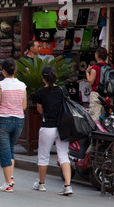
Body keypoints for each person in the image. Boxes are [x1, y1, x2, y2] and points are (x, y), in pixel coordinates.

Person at [32, 66, 73, 196]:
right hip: (62, 127)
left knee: (43, 156)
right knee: (63, 155)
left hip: (47, 127)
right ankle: (67, 185)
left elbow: (40, 111)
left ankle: (42, 184)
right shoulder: (63, 90)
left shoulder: (40, 92)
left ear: (43, 78)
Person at [0, 58, 27, 193]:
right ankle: (10, 177)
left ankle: (8, 183)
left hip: (3, 120)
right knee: (10, 149)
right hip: (19, 120)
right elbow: (23, 106)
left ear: (4, 71)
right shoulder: (22, 85)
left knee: (4, 151)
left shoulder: (0, 85)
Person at [86, 47, 110, 121]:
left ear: (96, 55)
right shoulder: (110, 67)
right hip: (107, 96)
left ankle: (97, 132)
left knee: (95, 118)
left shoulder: (95, 67)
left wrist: (87, 72)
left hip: (96, 94)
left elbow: (90, 81)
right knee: (106, 117)